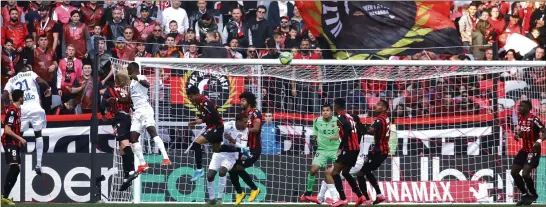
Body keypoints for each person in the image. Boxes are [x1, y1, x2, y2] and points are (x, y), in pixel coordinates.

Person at [186, 86, 246, 181]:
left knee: (196, 143)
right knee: (217, 149)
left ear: (197, 95)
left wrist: (200, 120)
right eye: (189, 97)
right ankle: (241, 150)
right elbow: (205, 115)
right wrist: (196, 121)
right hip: (214, 127)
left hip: (216, 127)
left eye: (191, 97)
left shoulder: (206, 103)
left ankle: (199, 169)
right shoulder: (198, 103)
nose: (190, 99)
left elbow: (214, 117)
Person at [2, 64, 51, 175]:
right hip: (34, 108)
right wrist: (48, 88)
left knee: (18, 134)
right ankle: (38, 165)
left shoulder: (11, 80)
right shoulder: (31, 73)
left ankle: (16, 161)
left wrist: (2, 110)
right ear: (26, 70)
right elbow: (41, 81)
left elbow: (4, 95)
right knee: (38, 134)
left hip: (22, 109)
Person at [127, 62, 171, 175]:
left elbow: (147, 85)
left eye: (128, 69)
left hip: (145, 109)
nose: (127, 72)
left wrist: (136, 77)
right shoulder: (131, 82)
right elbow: (131, 98)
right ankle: (142, 164)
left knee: (152, 132)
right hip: (137, 112)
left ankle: (166, 158)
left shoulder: (140, 77)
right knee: (133, 138)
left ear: (133, 69)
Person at [100, 72, 135, 191]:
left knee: (124, 144)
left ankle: (132, 170)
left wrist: (103, 113)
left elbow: (102, 104)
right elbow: (131, 105)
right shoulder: (126, 91)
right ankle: (126, 177)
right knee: (122, 150)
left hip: (119, 118)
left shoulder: (110, 90)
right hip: (128, 118)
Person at [206, 114, 249, 205]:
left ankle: (219, 198)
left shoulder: (245, 131)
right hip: (219, 153)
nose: (246, 124)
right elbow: (217, 131)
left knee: (222, 171)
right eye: (245, 122)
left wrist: (232, 140)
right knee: (210, 176)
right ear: (238, 121)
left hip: (231, 155)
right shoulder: (228, 125)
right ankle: (212, 199)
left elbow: (243, 147)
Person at [330, 98, 365, 207]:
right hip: (355, 149)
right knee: (345, 172)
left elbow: (347, 129)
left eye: (334, 105)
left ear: (337, 107)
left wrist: (341, 148)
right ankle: (360, 196)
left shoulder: (340, 118)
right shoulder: (350, 116)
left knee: (335, 172)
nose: (333, 107)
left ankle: (343, 199)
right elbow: (359, 131)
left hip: (348, 149)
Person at [301, 103, 339, 200]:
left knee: (338, 172)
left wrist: (337, 137)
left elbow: (344, 133)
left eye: (327, 110)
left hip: (336, 150)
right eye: (323, 110)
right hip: (322, 150)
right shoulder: (317, 121)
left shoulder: (337, 120)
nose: (325, 112)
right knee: (313, 170)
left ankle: (333, 194)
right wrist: (315, 140)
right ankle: (309, 191)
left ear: (331, 112)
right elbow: (315, 134)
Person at [512, 100, 545, 205]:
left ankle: (533, 194)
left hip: (533, 150)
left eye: (521, 106)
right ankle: (525, 194)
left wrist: (539, 141)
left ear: (527, 108)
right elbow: (523, 132)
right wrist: (518, 135)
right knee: (514, 172)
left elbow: (545, 131)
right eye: (519, 106)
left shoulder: (534, 119)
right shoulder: (520, 118)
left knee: (525, 174)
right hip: (524, 150)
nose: (519, 108)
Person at [231, 91, 262, 205]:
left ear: (248, 101)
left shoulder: (255, 113)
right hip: (242, 147)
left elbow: (256, 128)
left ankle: (254, 189)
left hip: (254, 148)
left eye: (243, 100)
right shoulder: (242, 114)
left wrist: (244, 130)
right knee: (231, 168)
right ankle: (239, 193)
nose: (241, 102)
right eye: (240, 100)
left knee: (238, 167)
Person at [1, 89, 25, 205]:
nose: (24, 98)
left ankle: (5, 196)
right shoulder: (12, 111)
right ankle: (4, 196)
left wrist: (18, 139)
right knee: (14, 168)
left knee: (16, 170)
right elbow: (7, 129)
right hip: (9, 142)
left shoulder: (18, 110)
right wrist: (20, 138)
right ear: (20, 98)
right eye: (23, 96)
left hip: (14, 142)